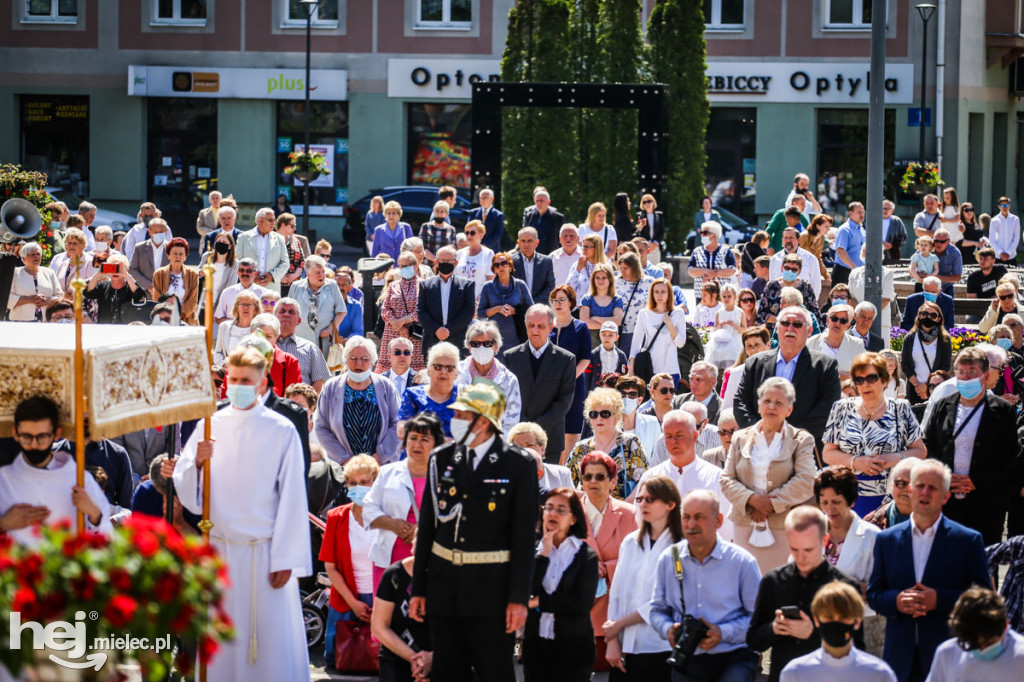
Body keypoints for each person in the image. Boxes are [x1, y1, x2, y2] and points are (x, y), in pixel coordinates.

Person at [170, 347, 311, 681]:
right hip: (220, 551)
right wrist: (197, 463)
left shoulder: (281, 429)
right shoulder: (210, 423)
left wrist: (286, 557)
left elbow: (293, 495)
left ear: (262, 383)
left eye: (245, 380)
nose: (237, 386)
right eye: (232, 379)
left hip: (265, 554)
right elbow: (189, 493)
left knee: (271, 646)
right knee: (222, 648)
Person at [408, 379, 538, 681]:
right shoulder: (441, 458)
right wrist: (419, 589)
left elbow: (523, 538)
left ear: (483, 421)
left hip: (492, 591)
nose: (455, 421)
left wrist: (518, 599)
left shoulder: (517, 464)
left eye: (463, 416)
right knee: (446, 672)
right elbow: (427, 526)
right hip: (444, 587)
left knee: (495, 672)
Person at [866, 459, 992, 682]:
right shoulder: (887, 540)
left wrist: (939, 599)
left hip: (948, 656)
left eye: (932, 487)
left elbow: (983, 598)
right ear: (911, 491)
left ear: (945, 496)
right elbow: (874, 595)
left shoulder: (967, 540)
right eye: (920, 486)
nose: (925, 492)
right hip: (899, 659)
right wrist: (896, 601)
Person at [649, 489, 762, 682]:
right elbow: (656, 610)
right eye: (686, 517)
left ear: (718, 520)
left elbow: (758, 619)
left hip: (734, 656)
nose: (691, 525)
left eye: (699, 517)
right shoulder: (670, 559)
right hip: (687, 656)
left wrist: (723, 632)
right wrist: (668, 628)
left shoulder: (741, 562)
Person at [747, 506, 865, 682]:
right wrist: (774, 628)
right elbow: (753, 640)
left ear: (824, 541)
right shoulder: (773, 581)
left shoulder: (845, 586)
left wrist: (815, 633)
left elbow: (857, 650)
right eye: (794, 549)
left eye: (808, 550)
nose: (800, 558)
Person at [921, 346, 1021, 545]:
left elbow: (1008, 454)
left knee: (983, 561)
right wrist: (946, 477)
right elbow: (929, 445)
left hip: (986, 500)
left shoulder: (1003, 411)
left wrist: (976, 480)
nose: (965, 377)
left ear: (985, 375)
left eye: (972, 371)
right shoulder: (943, 406)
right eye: (961, 372)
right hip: (946, 498)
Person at [722, 377, 817, 574]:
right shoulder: (740, 438)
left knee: (779, 587)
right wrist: (752, 499)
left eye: (779, 403)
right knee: (746, 585)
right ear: (758, 407)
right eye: (767, 401)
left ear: (789, 410)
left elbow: (806, 480)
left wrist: (771, 504)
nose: (772, 407)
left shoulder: (801, 439)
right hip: (744, 525)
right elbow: (726, 479)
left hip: (783, 526)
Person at [822, 352, 926, 516]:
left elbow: (920, 451)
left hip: (889, 499)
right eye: (859, 380)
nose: (865, 385)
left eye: (871, 378)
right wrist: (856, 462)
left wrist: (895, 458)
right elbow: (827, 454)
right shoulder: (841, 408)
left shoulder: (901, 408)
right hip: (845, 498)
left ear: (884, 380)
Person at [0, 396, 112, 546]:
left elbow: (107, 541)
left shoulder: (79, 479)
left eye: (42, 436)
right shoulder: (3, 480)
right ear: (15, 433)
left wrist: (94, 514)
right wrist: (3, 524)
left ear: (56, 434)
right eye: (27, 437)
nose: (34, 444)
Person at [604, 475, 681, 681]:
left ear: (670, 504)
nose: (643, 504)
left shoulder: (679, 548)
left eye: (651, 499)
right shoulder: (630, 542)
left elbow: (666, 600)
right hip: (625, 645)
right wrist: (612, 639)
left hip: (660, 645)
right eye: (640, 499)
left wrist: (619, 624)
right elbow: (617, 594)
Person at [522, 487, 599, 682]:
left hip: (573, 648)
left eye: (561, 509)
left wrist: (539, 602)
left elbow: (581, 604)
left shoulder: (585, 555)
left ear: (574, 518)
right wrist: (544, 553)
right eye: (548, 508)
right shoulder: (534, 551)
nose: (553, 513)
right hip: (536, 645)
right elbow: (526, 589)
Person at [735, 306, 840, 447]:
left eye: (797, 324)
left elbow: (827, 409)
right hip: (759, 446)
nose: (790, 328)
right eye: (785, 323)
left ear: (809, 331)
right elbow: (741, 402)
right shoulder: (755, 363)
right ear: (777, 328)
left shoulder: (825, 366)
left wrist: (789, 437)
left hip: (802, 450)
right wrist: (761, 433)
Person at [362, 412, 442, 596]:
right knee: (387, 616)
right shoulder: (387, 473)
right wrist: (393, 524)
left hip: (431, 558)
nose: (417, 444)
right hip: (389, 558)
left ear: (436, 444)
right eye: (413, 438)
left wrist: (423, 529)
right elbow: (368, 508)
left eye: (424, 439)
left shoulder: (446, 475)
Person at [572, 450, 638, 670]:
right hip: (575, 615)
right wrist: (586, 566)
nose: (593, 481)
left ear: (613, 481)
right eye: (587, 476)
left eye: (600, 476)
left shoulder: (629, 514)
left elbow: (637, 561)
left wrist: (606, 568)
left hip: (612, 616)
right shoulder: (568, 511)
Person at [319, 454, 379, 663]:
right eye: (353, 483)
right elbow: (330, 566)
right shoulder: (336, 517)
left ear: (375, 483)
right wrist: (353, 602)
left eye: (364, 482)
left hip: (381, 599)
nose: (358, 487)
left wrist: (380, 605)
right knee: (341, 660)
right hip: (346, 600)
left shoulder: (388, 517)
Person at [779, 581, 897, 682]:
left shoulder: (879, 674)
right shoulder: (794, 673)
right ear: (816, 619)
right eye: (828, 616)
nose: (836, 622)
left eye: (844, 616)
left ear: (857, 621)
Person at [503, 304, 578, 463]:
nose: (535, 330)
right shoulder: (510, 357)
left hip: (550, 438)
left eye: (540, 326)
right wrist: (524, 429)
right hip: (518, 437)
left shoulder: (566, 359)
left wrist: (535, 429)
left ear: (551, 327)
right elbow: (507, 398)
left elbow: (564, 402)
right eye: (531, 325)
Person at [314, 336, 400, 465]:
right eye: (353, 358)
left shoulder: (385, 386)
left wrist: (381, 456)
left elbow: (398, 423)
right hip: (343, 468)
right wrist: (345, 459)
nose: (358, 363)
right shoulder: (330, 387)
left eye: (365, 359)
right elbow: (321, 427)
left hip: (380, 466)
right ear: (345, 361)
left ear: (372, 362)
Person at [927, 587, 1024, 681]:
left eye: (989, 643)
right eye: (974, 645)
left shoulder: (1020, 655)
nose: (982, 650)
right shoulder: (947, 653)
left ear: (1006, 626)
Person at [565, 387, 648, 491]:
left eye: (605, 414)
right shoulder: (580, 447)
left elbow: (644, 480)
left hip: (623, 505)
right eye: (594, 414)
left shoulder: (630, 442)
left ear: (616, 417)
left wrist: (624, 505)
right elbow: (567, 484)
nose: (599, 418)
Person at [814, 466, 881, 586]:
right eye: (824, 502)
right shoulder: (810, 531)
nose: (830, 509)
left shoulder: (872, 536)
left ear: (851, 501)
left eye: (836, 502)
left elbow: (879, 586)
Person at [456, 320, 522, 433]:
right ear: (469, 347)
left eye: (487, 344)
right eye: (476, 344)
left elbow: (511, 424)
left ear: (496, 346)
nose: (481, 348)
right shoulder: (455, 373)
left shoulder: (509, 380)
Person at [417, 245, 476, 358]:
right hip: (432, 341)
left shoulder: (467, 285)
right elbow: (421, 311)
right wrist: (437, 330)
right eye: (442, 260)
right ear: (436, 262)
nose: (446, 263)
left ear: (456, 262)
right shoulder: (425, 285)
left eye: (449, 260)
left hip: (458, 342)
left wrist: (448, 330)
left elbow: (469, 311)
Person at [398, 342, 464, 438]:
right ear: (428, 370)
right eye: (438, 367)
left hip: (454, 452)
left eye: (449, 368)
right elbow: (401, 431)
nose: (443, 372)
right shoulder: (412, 395)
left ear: (457, 373)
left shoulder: (465, 395)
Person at [478, 251, 534, 354]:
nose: (501, 267)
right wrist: (497, 309)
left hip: (517, 337)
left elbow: (532, 310)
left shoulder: (520, 285)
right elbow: (480, 313)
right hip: (493, 339)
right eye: (497, 265)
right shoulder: (487, 287)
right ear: (494, 269)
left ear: (510, 266)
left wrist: (515, 311)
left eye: (504, 263)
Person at [290, 255, 346, 357]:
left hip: (324, 340)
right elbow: (289, 311)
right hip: (301, 339)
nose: (322, 275)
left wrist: (329, 329)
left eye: (323, 272)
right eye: (317, 273)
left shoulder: (332, 285)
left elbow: (341, 311)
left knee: (324, 371)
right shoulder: (296, 287)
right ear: (308, 274)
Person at [900, 300, 953, 406]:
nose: (928, 317)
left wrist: (927, 385)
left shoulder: (944, 340)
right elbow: (905, 364)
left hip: (935, 388)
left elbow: (945, 366)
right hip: (914, 388)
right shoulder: (910, 338)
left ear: (939, 319)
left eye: (933, 315)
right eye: (924, 314)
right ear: (919, 316)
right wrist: (918, 385)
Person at [274, 297, 331, 392]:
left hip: (301, 405)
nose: (286, 315)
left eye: (291, 312)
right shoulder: (265, 346)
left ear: (299, 321)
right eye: (282, 311)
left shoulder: (310, 349)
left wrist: (309, 405)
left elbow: (318, 382)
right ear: (274, 317)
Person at [508, 422, 574, 493]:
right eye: (519, 446)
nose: (524, 450)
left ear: (542, 449)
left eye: (529, 445)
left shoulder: (562, 475)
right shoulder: (504, 476)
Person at [236, 207, 290, 293]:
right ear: (260, 221)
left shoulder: (279, 239)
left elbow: (285, 263)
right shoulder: (243, 237)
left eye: (274, 220)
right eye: (271, 220)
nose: (274, 223)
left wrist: (272, 276)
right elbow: (237, 261)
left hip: (271, 289)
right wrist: (251, 276)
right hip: (248, 288)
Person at [756, 255, 820, 327]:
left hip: (798, 330)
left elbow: (815, 313)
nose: (790, 271)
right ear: (782, 268)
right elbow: (761, 314)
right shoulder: (771, 286)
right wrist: (781, 320)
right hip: (774, 331)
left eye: (794, 269)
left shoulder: (805, 287)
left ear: (799, 271)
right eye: (787, 268)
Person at [83, 254, 146, 324]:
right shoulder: (103, 287)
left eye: (119, 268)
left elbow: (140, 294)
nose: (115, 272)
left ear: (126, 270)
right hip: (105, 328)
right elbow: (87, 292)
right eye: (112, 268)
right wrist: (98, 275)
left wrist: (126, 275)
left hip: (125, 329)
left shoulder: (131, 286)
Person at [7, 242, 62, 321]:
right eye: (32, 254)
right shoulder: (14, 274)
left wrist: (48, 300)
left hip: (46, 320)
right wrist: (30, 299)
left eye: (38, 254)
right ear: (23, 258)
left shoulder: (50, 273)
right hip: (20, 321)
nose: (36, 257)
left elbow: (60, 296)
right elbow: (6, 298)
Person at [807, 303, 864, 379]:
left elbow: (862, 373)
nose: (837, 323)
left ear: (848, 326)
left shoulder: (857, 344)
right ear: (827, 321)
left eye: (843, 321)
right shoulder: (811, 342)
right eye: (834, 319)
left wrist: (839, 376)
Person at [150, 237, 200, 325]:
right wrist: (168, 315)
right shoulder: (159, 273)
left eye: (181, 254)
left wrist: (178, 316)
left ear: (185, 257)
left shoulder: (193, 274)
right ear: (168, 255)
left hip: (187, 319)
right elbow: (157, 298)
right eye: (175, 253)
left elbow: (193, 301)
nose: (178, 256)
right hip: (163, 319)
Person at [863, 457, 921, 530]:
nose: (906, 489)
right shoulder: (872, 523)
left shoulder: (935, 523)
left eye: (913, 484)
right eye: (900, 483)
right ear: (892, 485)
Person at [250, 314, 301, 397]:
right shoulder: (237, 360)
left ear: (276, 337)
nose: (263, 340)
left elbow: (293, 399)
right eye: (259, 335)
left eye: (268, 336)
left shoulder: (290, 362)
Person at [721, 327, 770, 410]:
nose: (753, 350)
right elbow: (727, 407)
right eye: (749, 346)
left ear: (768, 345)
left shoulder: (778, 368)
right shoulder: (736, 373)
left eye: (757, 345)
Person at [770, 224, 822, 299]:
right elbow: (772, 284)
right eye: (786, 238)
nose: (788, 240)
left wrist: (809, 305)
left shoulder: (810, 259)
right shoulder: (774, 259)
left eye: (791, 238)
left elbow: (816, 286)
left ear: (799, 240)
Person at [580, 263, 624, 346]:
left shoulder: (617, 299)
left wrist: (594, 318)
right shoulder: (586, 299)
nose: (600, 281)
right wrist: (608, 327)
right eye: (597, 278)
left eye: (604, 278)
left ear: (610, 279)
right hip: (590, 343)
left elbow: (617, 321)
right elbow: (585, 322)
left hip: (610, 345)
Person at [688, 220, 737, 294]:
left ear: (714, 235)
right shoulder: (697, 251)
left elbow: (732, 270)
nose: (702, 235)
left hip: (721, 294)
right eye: (701, 232)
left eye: (705, 233)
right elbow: (690, 270)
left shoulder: (725, 251)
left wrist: (716, 273)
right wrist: (706, 271)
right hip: (701, 294)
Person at [513, 226, 556, 304]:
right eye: (523, 241)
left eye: (530, 241)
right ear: (518, 243)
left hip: (540, 308)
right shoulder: (511, 262)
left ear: (537, 243)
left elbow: (550, 287)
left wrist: (532, 303)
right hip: (517, 309)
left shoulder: (546, 262)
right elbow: (506, 286)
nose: (526, 244)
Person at [213, 290, 259, 364]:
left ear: (255, 310)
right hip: (227, 372)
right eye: (242, 304)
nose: (245, 307)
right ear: (236, 308)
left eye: (249, 305)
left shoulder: (260, 330)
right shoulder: (224, 327)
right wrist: (224, 365)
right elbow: (218, 352)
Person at [127, 216, 170, 293]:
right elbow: (132, 270)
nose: (158, 234)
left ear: (166, 231)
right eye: (155, 232)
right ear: (149, 232)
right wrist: (149, 286)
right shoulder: (139, 248)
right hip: (146, 293)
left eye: (161, 232)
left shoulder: (172, 248)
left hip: (167, 293)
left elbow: (177, 271)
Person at [831, 202, 866, 286]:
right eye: (859, 212)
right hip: (844, 272)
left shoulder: (862, 230)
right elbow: (840, 251)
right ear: (850, 214)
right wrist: (855, 269)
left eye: (863, 212)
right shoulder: (844, 229)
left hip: (858, 273)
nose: (862, 215)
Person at [522, 189, 566, 255]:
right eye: (537, 201)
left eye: (542, 201)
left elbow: (562, 237)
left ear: (548, 202)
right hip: (533, 254)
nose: (539, 203)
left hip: (551, 253)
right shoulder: (529, 216)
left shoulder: (557, 218)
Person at [590, 321, 629, 388]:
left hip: (615, 391)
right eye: (604, 335)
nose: (606, 338)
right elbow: (587, 376)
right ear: (600, 336)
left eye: (610, 335)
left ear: (616, 337)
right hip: (597, 392)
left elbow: (624, 375)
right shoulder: (593, 354)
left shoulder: (621, 355)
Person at [418, 200, 457, 265]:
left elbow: (453, 250)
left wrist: (441, 263)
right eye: (437, 211)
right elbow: (422, 248)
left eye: (442, 212)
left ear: (447, 214)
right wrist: (436, 261)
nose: (439, 214)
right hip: (427, 264)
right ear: (433, 212)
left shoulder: (451, 230)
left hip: (444, 266)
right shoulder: (426, 226)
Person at [469, 188, 507, 253]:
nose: (483, 200)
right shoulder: (473, 213)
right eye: (481, 198)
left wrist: (485, 245)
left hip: (492, 249)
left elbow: (498, 233)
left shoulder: (498, 215)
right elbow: (469, 229)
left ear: (492, 199)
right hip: (475, 248)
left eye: (485, 198)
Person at [930, 228, 963, 298]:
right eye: (936, 241)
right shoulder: (927, 247)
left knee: (948, 302)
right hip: (927, 285)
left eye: (942, 242)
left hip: (946, 287)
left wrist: (938, 278)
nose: (938, 244)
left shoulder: (955, 253)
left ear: (948, 241)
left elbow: (957, 277)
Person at [989, 196, 1020, 265]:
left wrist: (1008, 252)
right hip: (998, 257)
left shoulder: (1015, 219)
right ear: (999, 206)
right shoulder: (994, 220)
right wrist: (1001, 253)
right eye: (1003, 205)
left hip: (1011, 256)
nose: (1005, 207)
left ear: (1009, 206)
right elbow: (992, 240)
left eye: (1007, 205)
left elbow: (1016, 238)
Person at [636, 194, 666, 262]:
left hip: (656, 246)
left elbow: (662, 231)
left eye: (649, 201)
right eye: (644, 202)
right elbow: (638, 232)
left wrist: (656, 242)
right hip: (644, 247)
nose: (647, 204)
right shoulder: (640, 215)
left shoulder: (659, 215)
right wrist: (648, 242)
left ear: (653, 202)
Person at [551, 224, 582, 288]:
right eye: (565, 236)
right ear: (560, 239)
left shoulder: (585, 256)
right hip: (558, 296)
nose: (568, 238)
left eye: (571, 236)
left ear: (578, 238)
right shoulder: (552, 257)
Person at [883, 199, 909, 264]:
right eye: (882, 208)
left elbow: (903, 237)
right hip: (876, 251)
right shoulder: (874, 220)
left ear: (892, 210)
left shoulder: (897, 221)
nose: (884, 210)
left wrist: (892, 245)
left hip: (893, 253)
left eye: (887, 208)